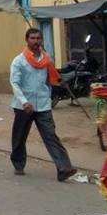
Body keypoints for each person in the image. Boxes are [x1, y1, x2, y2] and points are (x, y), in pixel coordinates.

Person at [10, 28, 77, 182]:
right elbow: (14, 83)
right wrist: (24, 101)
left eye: (39, 38)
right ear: (27, 40)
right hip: (24, 106)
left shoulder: (47, 60)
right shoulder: (19, 61)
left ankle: (64, 168)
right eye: (33, 38)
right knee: (20, 137)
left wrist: (58, 87)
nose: (36, 41)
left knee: (51, 136)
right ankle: (18, 163)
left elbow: (51, 79)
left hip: (43, 104)